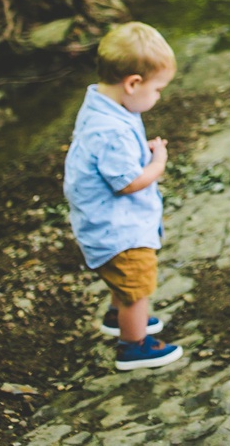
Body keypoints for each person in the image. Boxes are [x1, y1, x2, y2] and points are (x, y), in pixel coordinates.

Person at [63, 21, 186, 371]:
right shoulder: (112, 129)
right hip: (117, 226)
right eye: (158, 89)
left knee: (124, 277)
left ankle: (118, 317)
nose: (159, 96)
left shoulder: (102, 102)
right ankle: (133, 346)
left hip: (103, 221)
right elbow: (128, 182)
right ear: (133, 83)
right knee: (136, 284)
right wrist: (157, 163)